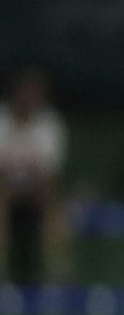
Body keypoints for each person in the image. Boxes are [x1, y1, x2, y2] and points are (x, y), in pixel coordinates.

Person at [0, 67, 69, 283]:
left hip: (38, 195)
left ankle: (58, 280)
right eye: (24, 91)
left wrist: (27, 188)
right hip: (5, 192)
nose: (27, 98)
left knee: (53, 203)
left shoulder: (50, 124)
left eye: (33, 92)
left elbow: (50, 176)